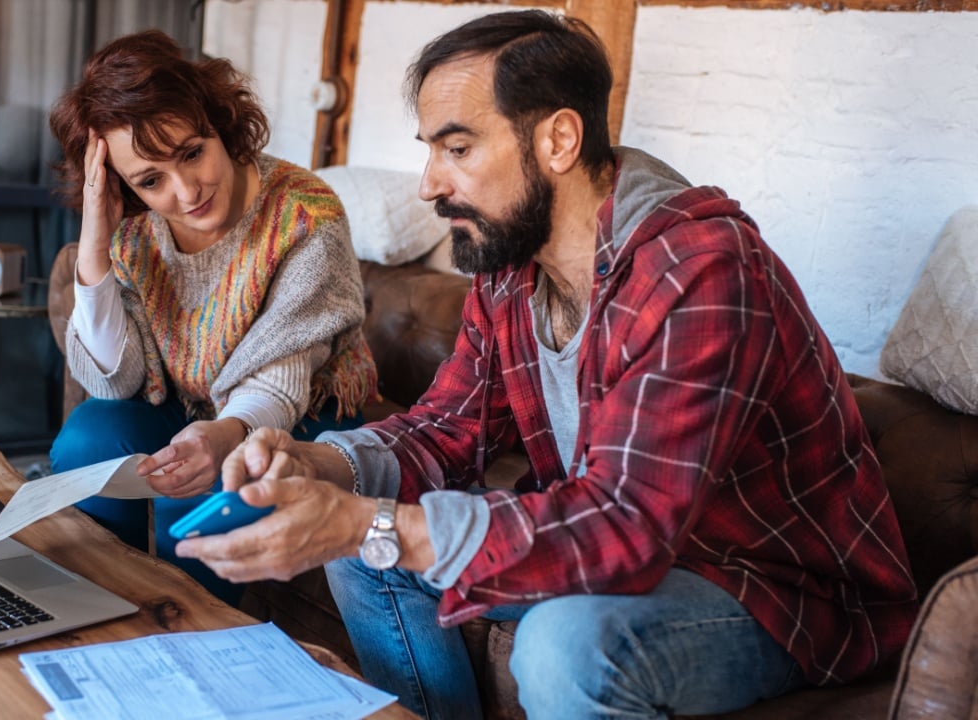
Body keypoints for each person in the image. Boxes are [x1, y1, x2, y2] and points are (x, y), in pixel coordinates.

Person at [173, 10, 920, 719]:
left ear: (558, 140)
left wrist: (365, 521)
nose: (430, 183)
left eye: (457, 149)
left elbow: (626, 525)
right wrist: (319, 465)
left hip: (774, 590)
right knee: (367, 542)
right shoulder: (508, 266)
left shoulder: (699, 270)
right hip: (630, 545)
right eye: (432, 150)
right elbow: (446, 429)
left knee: (566, 645)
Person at [46, 30, 377, 605]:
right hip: (189, 405)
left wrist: (227, 435)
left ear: (219, 123)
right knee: (86, 440)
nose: (187, 191)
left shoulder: (305, 216)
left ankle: (191, 630)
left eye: (192, 153)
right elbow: (115, 382)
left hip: (302, 411)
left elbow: (279, 381)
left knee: (204, 491)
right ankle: (100, 607)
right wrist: (95, 246)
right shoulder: (132, 230)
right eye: (151, 180)